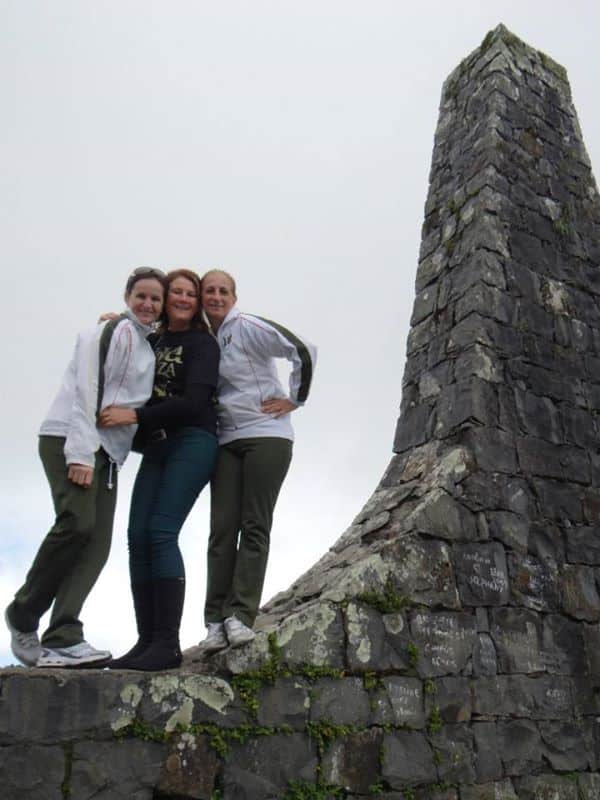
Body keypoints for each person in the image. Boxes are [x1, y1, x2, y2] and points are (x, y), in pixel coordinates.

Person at [5, 267, 166, 668]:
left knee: (96, 546)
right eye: (140, 296)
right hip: (69, 438)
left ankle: (63, 636)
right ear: (127, 296)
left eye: (155, 299)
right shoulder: (107, 333)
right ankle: (24, 613)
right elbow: (86, 390)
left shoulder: (149, 345)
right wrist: (79, 454)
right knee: (77, 523)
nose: (147, 304)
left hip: (109, 454)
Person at [100, 268, 220, 671]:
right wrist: (116, 324)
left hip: (193, 440)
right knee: (136, 536)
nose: (183, 299)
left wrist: (134, 415)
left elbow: (194, 402)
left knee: (160, 532)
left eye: (191, 293)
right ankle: (146, 641)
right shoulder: (154, 340)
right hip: (157, 444)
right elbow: (128, 347)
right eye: (177, 293)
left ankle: (167, 644)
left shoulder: (203, 344)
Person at [198, 269, 316, 651]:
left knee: (254, 526)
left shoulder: (246, 325)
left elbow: (302, 348)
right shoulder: (208, 337)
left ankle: (240, 615)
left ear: (233, 296)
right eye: (209, 291)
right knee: (221, 529)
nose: (216, 296)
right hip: (227, 440)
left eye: (223, 291)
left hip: (267, 436)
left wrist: (295, 399)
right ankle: (215, 621)